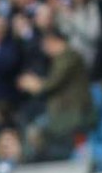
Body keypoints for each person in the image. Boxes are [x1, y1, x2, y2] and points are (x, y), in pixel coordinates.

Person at [17, 29, 93, 160]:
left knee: (35, 131)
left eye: (45, 45)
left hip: (73, 112)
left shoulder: (69, 56)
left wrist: (33, 84)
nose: (44, 50)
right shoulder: (61, 58)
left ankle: (39, 164)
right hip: (63, 112)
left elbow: (51, 84)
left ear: (52, 41)